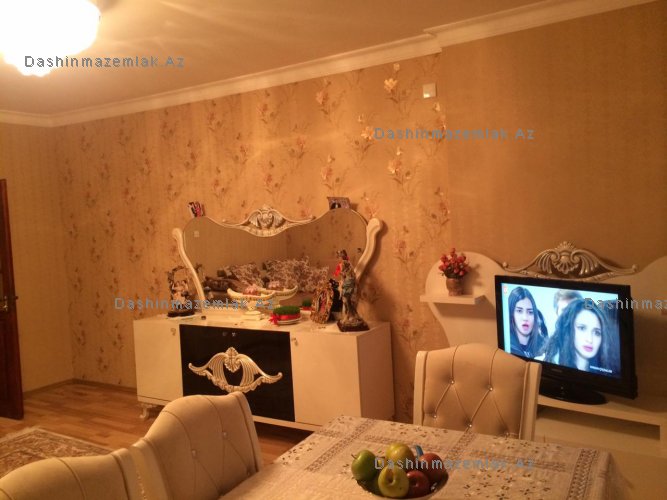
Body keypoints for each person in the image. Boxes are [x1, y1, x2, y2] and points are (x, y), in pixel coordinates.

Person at [543, 298, 616, 373]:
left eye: (597, 333)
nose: (590, 339)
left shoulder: (606, 371)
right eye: (582, 328)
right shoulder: (550, 366)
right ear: (568, 329)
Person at [508, 287, 547, 358]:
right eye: (519, 311)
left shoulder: (545, 347)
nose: (525, 318)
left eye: (530, 312)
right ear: (511, 314)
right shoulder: (506, 345)